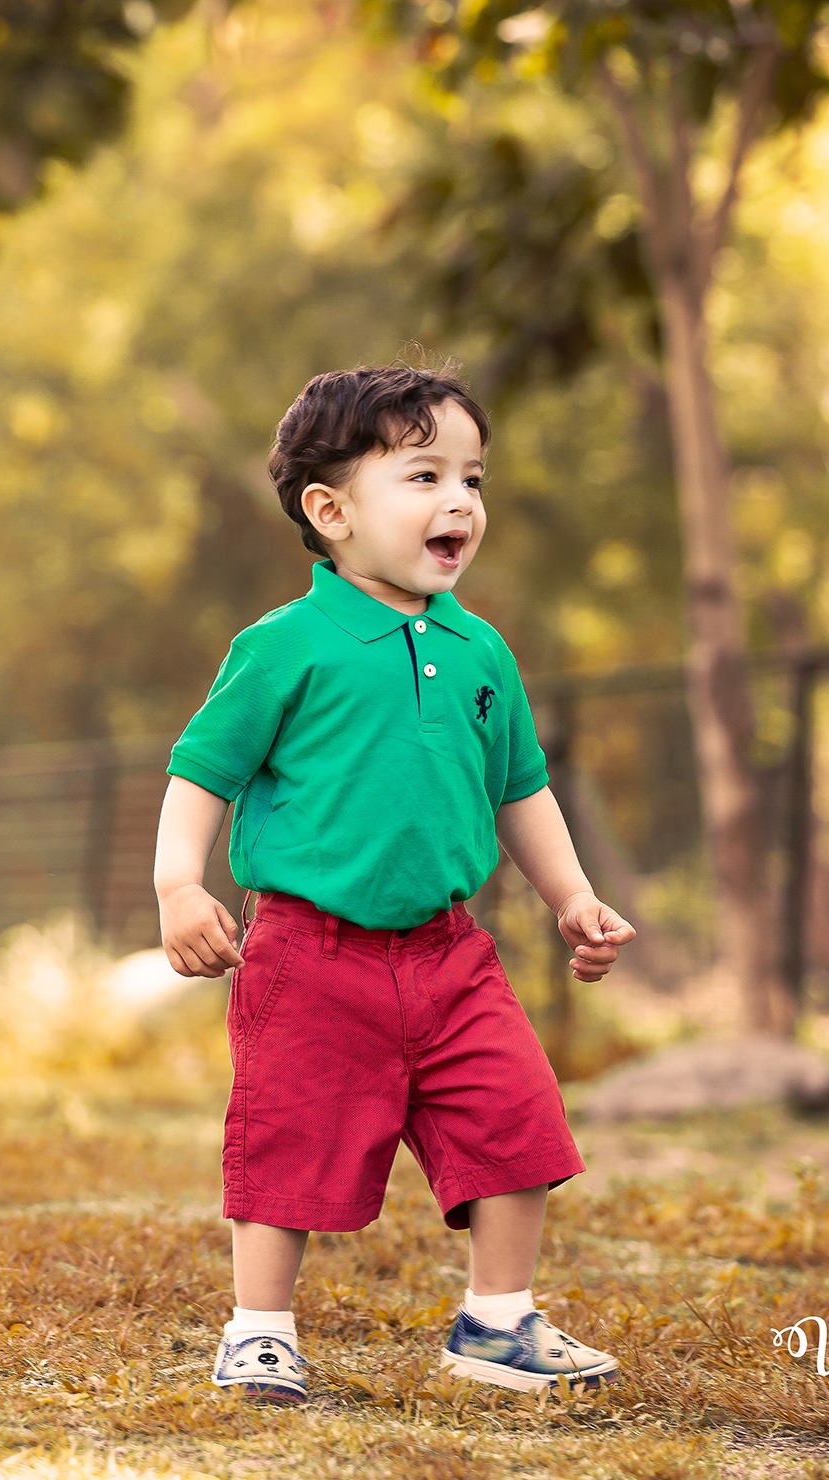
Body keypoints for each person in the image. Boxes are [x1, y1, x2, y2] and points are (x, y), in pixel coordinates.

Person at [153, 364, 636, 1406]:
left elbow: (523, 789)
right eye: (424, 475)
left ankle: (498, 1322)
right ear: (331, 511)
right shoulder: (284, 646)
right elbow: (202, 771)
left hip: (450, 952)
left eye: (473, 477)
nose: (460, 500)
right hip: (308, 953)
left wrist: (573, 896)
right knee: (288, 1138)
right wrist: (176, 887)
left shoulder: (481, 652)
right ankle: (261, 1331)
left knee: (516, 1122)